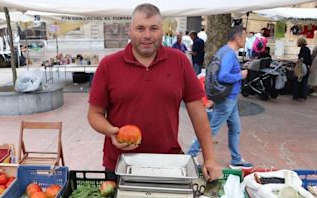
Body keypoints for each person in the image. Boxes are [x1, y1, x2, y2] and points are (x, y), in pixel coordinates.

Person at [87, 3, 221, 181]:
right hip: (120, 164)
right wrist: (111, 131)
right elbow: (94, 114)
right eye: (140, 28)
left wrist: (209, 158)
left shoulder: (179, 61)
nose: (147, 35)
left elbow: (198, 114)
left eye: (154, 28)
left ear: (162, 31)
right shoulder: (109, 65)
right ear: (130, 30)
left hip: (167, 162)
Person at [210, 26, 253, 169]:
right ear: (238, 38)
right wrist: (240, 75)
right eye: (244, 37)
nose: (245, 40)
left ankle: (236, 159)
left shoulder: (225, 50)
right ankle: (190, 155)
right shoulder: (229, 53)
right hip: (227, 98)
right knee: (211, 130)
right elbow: (223, 76)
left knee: (235, 128)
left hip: (230, 98)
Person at [187, 75, 214, 165]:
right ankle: (192, 152)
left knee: (234, 127)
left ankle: (193, 151)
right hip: (208, 105)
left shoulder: (202, 76)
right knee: (211, 127)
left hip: (209, 104)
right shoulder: (204, 78)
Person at [293, 37, 312, 101]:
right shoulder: (307, 49)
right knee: (304, 82)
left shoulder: (302, 49)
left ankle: (297, 95)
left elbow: (301, 58)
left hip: (301, 67)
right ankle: (303, 96)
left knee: (298, 81)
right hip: (306, 67)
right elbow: (309, 59)